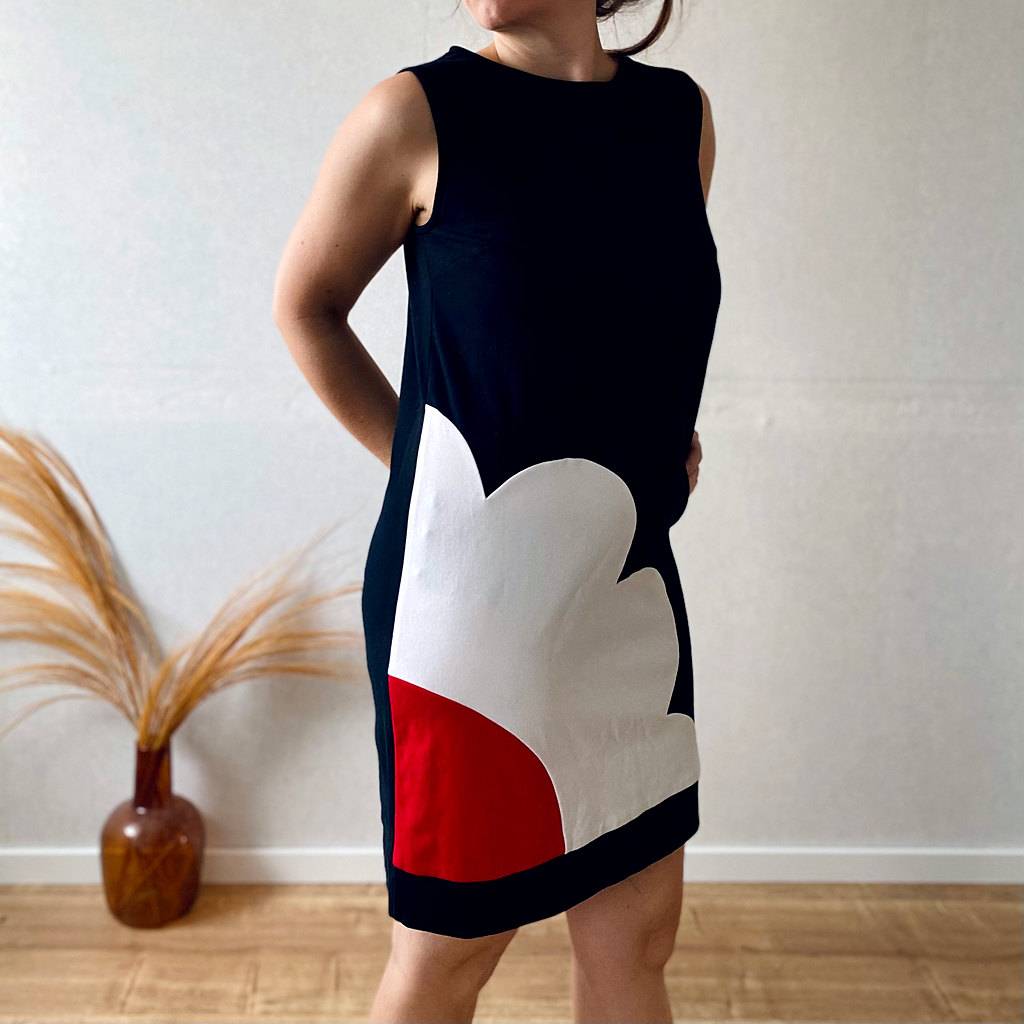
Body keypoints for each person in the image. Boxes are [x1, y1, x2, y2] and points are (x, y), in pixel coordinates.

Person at [273, 0, 720, 1019]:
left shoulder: (679, 118)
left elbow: (622, 310)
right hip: (470, 613)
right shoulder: (412, 114)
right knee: (449, 951)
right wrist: (429, 472)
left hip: (625, 589)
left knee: (637, 936)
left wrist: (659, 431)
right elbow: (306, 306)